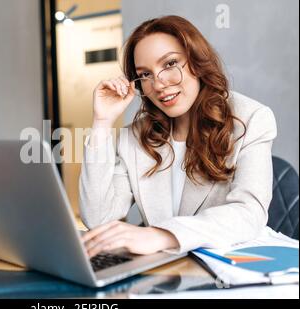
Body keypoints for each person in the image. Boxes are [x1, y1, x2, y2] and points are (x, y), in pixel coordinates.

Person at [79, 15, 277, 258]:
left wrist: (163, 235)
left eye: (170, 64)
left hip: (223, 274)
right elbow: (99, 220)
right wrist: (102, 122)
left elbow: (249, 213)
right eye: (145, 74)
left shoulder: (252, 119)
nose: (159, 84)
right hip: (163, 273)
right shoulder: (135, 137)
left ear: (197, 60)